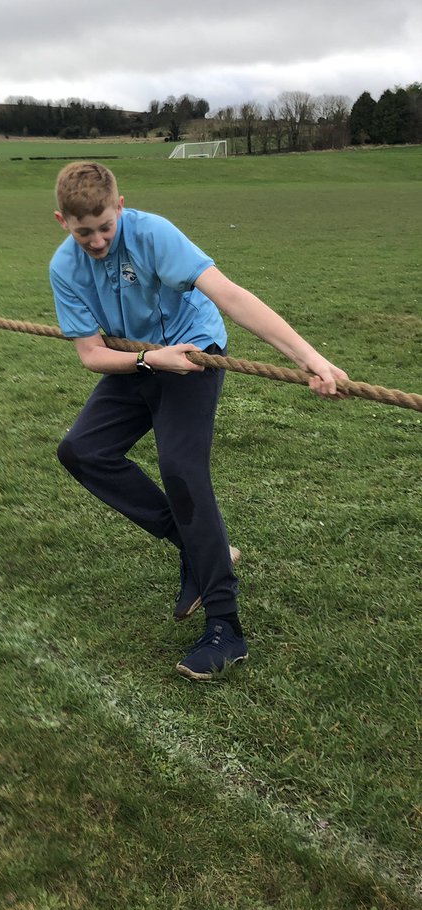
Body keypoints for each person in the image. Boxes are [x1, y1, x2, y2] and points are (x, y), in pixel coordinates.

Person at [49, 162, 346, 681]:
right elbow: (92, 355)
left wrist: (309, 358)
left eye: (104, 227)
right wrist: (147, 360)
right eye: (83, 232)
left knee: (182, 470)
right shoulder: (64, 267)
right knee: (81, 451)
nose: (96, 241)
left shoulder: (153, 234)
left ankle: (225, 628)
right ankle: (195, 547)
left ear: (120, 208)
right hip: (141, 359)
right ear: (61, 222)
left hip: (192, 355)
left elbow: (229, 296)